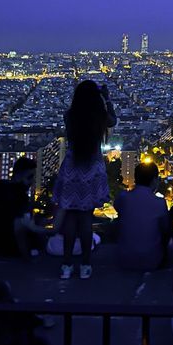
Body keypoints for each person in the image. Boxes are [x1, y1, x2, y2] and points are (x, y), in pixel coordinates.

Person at [52, 80, 116, 280]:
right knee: (86, 218)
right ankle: (86, 265)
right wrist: (107, 98)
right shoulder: (100, 117)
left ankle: (67, 265)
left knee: (70, 218)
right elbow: (113, 120)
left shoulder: (69, 116)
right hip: (92, 168)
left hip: (72, 168)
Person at [0, 157, 46, 258]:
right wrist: (27, 257)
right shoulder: (21, 197)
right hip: (11, 248)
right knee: (40, 221)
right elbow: (18, 227)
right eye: (30, 177)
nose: (32, 182)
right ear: (19, 175)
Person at [114, 161, 170, 270]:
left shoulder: (123, 197)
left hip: (123, 259)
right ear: (154, 180)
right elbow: (165, 229)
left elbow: (119, 211)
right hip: (151, 261)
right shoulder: (159, 202)